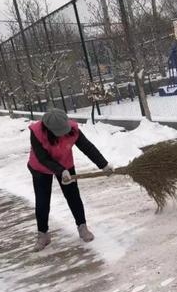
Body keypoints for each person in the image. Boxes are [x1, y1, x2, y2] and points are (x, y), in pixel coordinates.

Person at [28, 108, 113, 251]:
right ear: (49, 129)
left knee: (73, 196)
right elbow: (42, 157)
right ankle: (43, 235)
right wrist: (60, 171)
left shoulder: (73, 129)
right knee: (42, 201)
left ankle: (82, 227)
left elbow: (87, 147)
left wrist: (103, 164)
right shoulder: (37, 132)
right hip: (41, 167)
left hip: (65, 163)